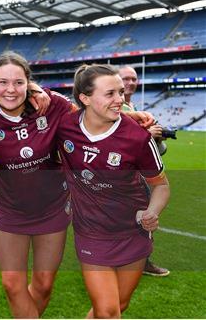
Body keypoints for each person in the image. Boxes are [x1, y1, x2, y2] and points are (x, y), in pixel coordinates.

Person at [57, 64, 170, 318]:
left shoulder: (138, 138)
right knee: (108, 311)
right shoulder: (64, 127)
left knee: (117, 305)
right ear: (85, 98)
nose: (120, 99)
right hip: (91, 232)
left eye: (120, 92)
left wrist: (152, 211)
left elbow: (160, 185)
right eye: (110, 94)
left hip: (133, 231)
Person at [0, 51, 75, 318]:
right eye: (3, 82)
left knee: (43, 286)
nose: (11, 90)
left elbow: (90, 117)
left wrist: (132, 119)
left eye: (19, 82)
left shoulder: (52, 104)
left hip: (53, 208)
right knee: (12, 284)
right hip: (12, 212)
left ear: (28, 83)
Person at [119, 65, 170, 277]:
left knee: (144, 217)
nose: (130, 83)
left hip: (140, 176)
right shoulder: (110, 107)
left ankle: (143, 260)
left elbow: (159, 151)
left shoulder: (134, 108)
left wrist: (156, 137)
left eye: (133, 79)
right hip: (117, 175)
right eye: (125, 79)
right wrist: (146, 133)